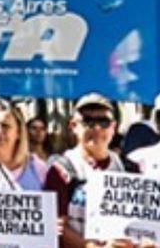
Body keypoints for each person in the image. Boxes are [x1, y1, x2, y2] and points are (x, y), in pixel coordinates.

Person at [43, 93, 126, 247]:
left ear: (113, 128)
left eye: (104, 122)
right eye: (88, 121)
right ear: (74, 126)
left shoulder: (128, 168)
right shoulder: (61, 170)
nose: (96, 128)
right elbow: (56, 226)